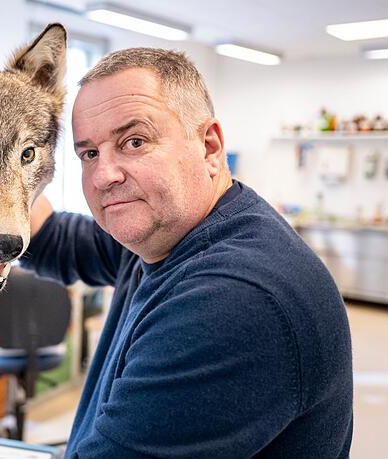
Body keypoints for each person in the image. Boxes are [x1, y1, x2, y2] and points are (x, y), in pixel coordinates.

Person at [22, 48, 352, 458]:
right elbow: (49, 237)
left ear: (210, 147)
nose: (104, 175)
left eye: (134, 141)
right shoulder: (160, 233)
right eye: (89, 153)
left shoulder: (234, 299)